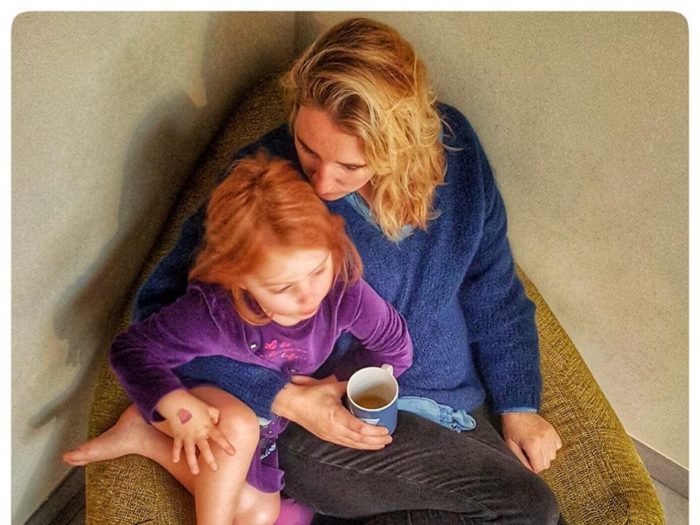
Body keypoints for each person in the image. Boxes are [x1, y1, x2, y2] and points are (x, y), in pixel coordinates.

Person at [72, 16, 565, 525]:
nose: (323, 183)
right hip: (322, 423)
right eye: (308, 148)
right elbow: (163, 314)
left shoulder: (456, 154)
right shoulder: (266, 191)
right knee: (528, 508)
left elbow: (493, 286)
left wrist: (519, 404)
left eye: (350, 166)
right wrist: (284, 398)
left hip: (450, 409)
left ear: (403, 143)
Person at [64, 152, 413, 525]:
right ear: (239, 279)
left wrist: (336, 382)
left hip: (263, 423)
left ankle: (142, 436)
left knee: (260, 513)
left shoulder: (341, 290)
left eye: (317, 270)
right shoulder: (214, 311)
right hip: (202, 396)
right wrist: (175, 404)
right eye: (282, 287)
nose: (308, 296)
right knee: (239, 427)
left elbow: (396, 347)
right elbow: (130, 350)